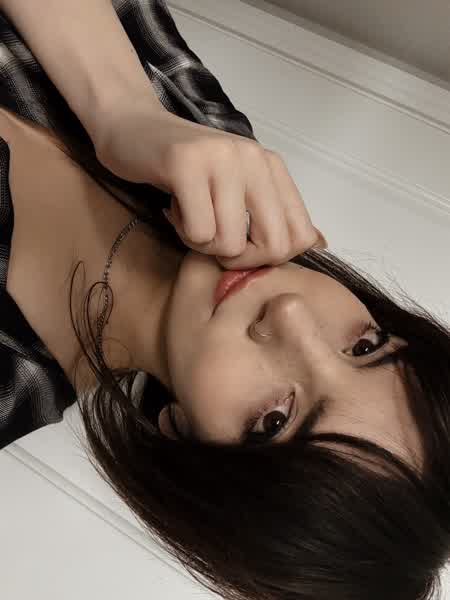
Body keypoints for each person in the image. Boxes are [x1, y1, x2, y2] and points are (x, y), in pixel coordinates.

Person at [0, 2, 449, 599]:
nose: (289, 313)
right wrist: (121, 109)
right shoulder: (211, 147)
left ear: (184, 445)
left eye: (274, 421)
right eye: (366, 346)